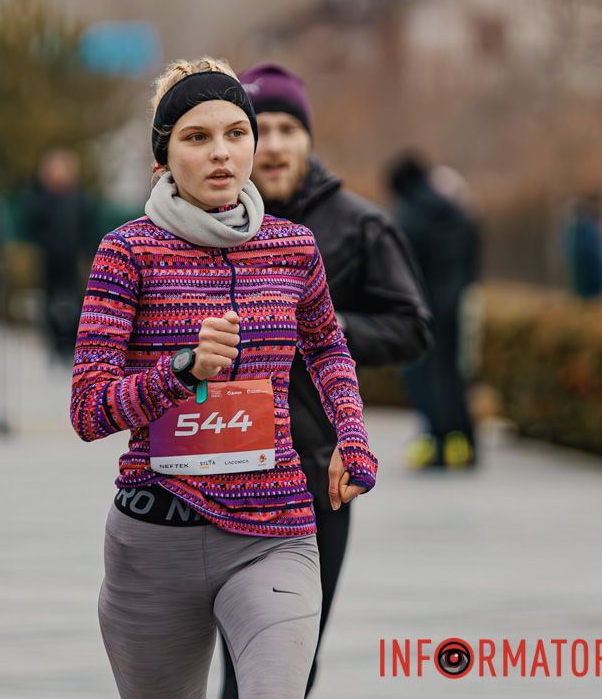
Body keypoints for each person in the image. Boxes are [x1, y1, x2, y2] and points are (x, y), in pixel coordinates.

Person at [71, 58, 378, 699]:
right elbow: (89, 410)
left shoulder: (293, 247)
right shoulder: (126, 252)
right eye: (196, 136)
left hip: (276, 531)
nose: (221, 153)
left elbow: (327, 347)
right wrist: (180, 372)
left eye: (237, 133)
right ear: (162, 158)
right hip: (157, 535)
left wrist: (352, 437)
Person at [213, 63, 431, 698]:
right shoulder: (209, 220)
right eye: (262, 130)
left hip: (312, 476)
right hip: (212, 467)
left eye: (289, 128)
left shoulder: (358, 225)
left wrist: (319, 326)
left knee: (284, 657)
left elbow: (412, 327)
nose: (276, 145)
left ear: (308, 136)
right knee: (224, 657)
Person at [387, 151, 479, 469]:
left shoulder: (407, 216)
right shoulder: (454, 211)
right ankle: (464, 440)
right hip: (455, 305)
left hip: (422, 311)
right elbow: (471, 251)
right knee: (452, 374)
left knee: (420, 374)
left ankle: (436, 439)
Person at [26, 149, 91, 365]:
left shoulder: (77, 197)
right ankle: (54, 343)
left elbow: (85, 225)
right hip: (50, 258)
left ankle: (69, 343)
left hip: (71, 258)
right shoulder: (43, 197)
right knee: (50, 303)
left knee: (74, 303)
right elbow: (34, 225)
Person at [562, 193, 602, 301]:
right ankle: (588, 296)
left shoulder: (575, 229)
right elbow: (590, 255)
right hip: (587, 275)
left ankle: (586, 295)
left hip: (586, 276)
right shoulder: (583, 229)